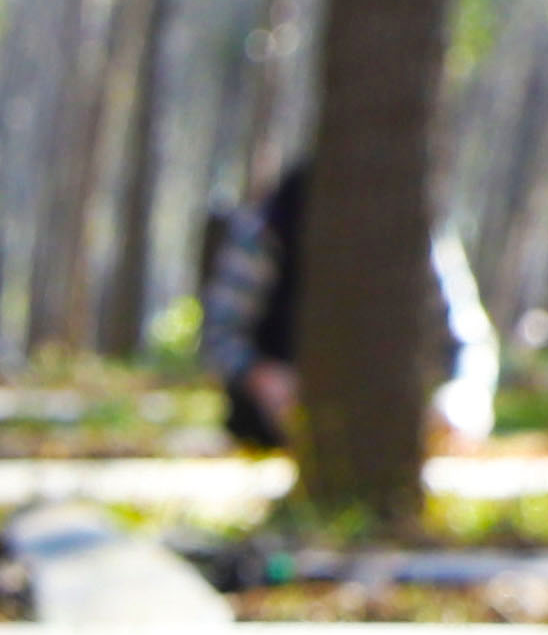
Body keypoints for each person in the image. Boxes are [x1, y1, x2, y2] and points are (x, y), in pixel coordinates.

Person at [196, 161, 500, 458]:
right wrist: (262, 378)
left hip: (390, 432)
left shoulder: (413, 227)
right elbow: (219, 334)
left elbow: (468, 338)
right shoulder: (270, 223)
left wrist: (465, 399)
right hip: (267, 435)